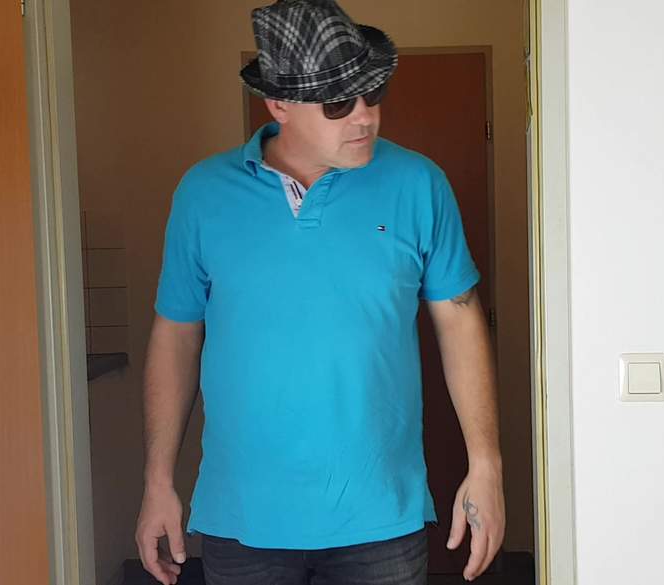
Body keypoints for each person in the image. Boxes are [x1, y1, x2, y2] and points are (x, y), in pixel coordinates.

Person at [134, 1, 504, 583]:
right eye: (337, 104)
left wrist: (486, 464)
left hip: (381, 517)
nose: (365, 118)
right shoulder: (203, 194)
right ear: (278, 104)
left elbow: (459, 319)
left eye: (372, 95)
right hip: (244, 516)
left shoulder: (418, 183)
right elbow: (176, 334)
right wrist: (158, 480)